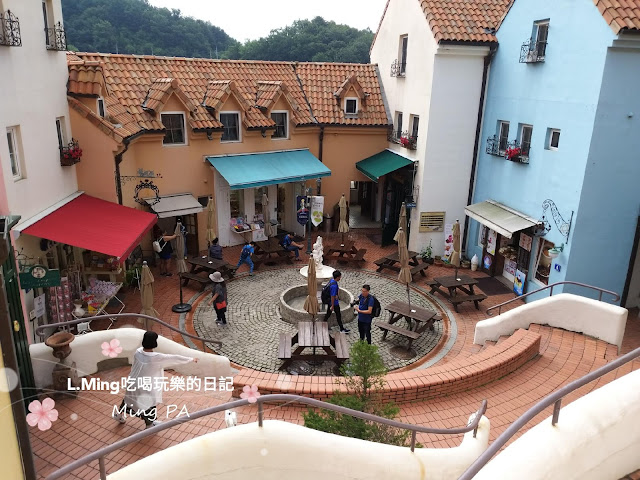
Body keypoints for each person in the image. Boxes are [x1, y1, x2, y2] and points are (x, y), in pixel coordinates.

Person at [112, 331, 198, 429]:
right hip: (145, 386)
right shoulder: (157, 357)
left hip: (132, 382)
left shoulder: (138, 352)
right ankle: (149, 425)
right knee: (149, 404)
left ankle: (119, 415)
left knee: (128, 400)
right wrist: (191, 359)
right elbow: (174, 358)